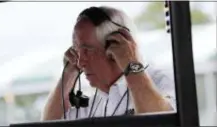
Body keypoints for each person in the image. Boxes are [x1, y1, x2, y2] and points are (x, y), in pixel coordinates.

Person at [41, 6, 176, 121]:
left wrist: (130, 63)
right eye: (76, 51)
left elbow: (159, 122)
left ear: (116, 44)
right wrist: (69, 73)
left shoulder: (163, 81)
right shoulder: (97, 101)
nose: (80, 62)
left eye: (87, 50)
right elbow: (50, 122)